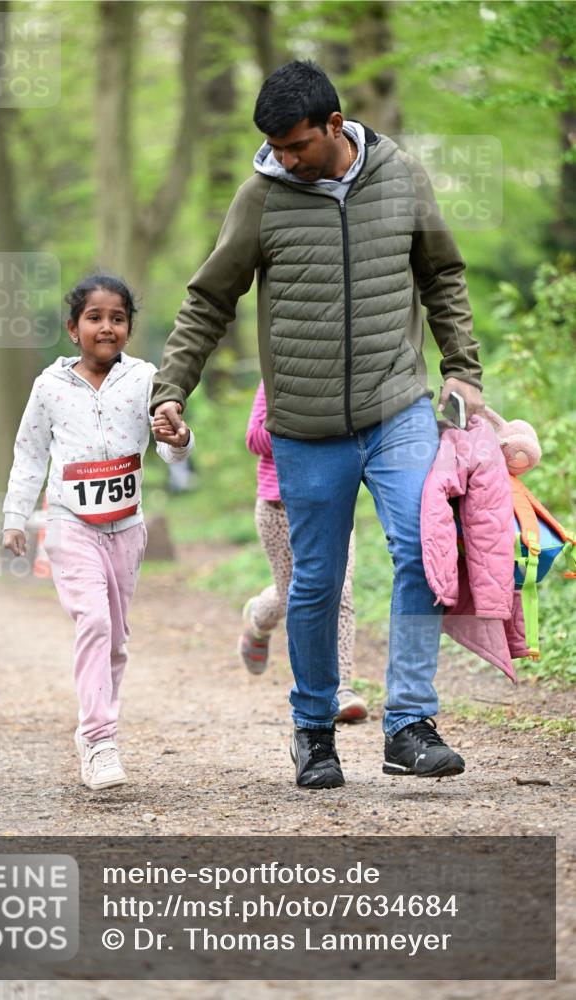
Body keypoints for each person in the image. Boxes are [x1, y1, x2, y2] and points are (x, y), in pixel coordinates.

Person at [150, 61, 485, 789]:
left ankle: (409, 726)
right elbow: (209, 298)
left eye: (295, 144)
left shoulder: (402, 177)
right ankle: (312, 732)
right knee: (314, 583)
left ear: (334, 126)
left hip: (398, 407)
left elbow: (442, 276)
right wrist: (170, 389)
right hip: (303, 425)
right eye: (272, 146)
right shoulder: (260, 197)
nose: (284, 158)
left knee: (421, 552)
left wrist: (461, 367)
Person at [2, 274, 193, 791]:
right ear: (73, 328)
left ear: (129, 328)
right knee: (93, 622)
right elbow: (29, 453)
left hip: (126, 527)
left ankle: (92, 733)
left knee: (116, 639)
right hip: (71, 523)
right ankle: (101, 739)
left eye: (117, 318)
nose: (106, 327)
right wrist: (15, 518)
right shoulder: (49, 387)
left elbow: (172, 451)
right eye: (94, 317)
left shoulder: (146, 378)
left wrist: (179, 437)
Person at [239, 380, 368, 724]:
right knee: (292, 596)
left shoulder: (344, 377)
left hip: (332, 503)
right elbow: (254, 440)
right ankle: (258, 618)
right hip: (279, 507)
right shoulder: (273, 380)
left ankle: (341, 689)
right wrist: (297, 419)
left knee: (339, 591)